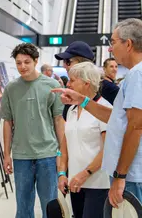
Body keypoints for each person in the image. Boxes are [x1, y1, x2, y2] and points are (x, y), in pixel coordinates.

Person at [52, 18, 142, 207]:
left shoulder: (136, 75)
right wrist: (82, 100)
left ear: (128, 44)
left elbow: (135, 127)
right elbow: (118, 119)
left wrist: (120, 174)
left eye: (114, 42)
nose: (109, 49)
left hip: (132, 174)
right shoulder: (131, 77)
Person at [0, 43, 65, 218]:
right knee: (23, 207)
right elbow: (7, 122)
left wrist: (62, 153)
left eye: (26, 62)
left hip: (48, 154)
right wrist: (7, 154)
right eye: (19, 63)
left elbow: (58, 119)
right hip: (21, 156)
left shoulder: (51, 85)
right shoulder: (11, 88)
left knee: (50, 206)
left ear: (36, 61)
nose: (22, 66)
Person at [58, 62, 111, 218]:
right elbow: (65, 144)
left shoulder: (103, 109)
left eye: (72, 80)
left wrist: (85, 173)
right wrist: (62, 172)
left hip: (98, 183)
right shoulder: (72, 109)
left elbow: (108, 149)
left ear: (86, 83)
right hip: (75, 183)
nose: (68, 84)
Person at [54, 41, 95, 121]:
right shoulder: (71, 92)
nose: (64, 65)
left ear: (83, 63)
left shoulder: (104, 89)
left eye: (68, 61)